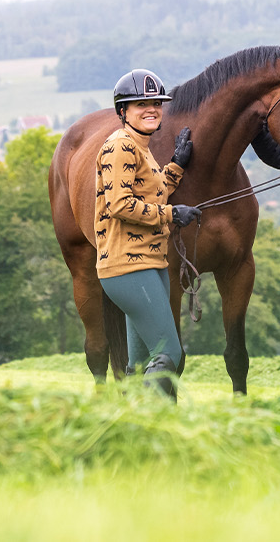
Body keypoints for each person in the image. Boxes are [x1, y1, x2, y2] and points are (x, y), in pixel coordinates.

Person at [94, 68, 202, 400]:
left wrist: (175, 167)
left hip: (150, 264)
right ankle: (161, 430)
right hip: (127, 267)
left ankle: (129, 429)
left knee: (139, 364)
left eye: (155, 103)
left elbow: (151, 193)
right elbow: (120, 204)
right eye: (141, 103)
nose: (151, 108)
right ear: (123, 111)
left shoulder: (141, 148)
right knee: (170, 352)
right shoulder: (120, 146)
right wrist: (172, 214)